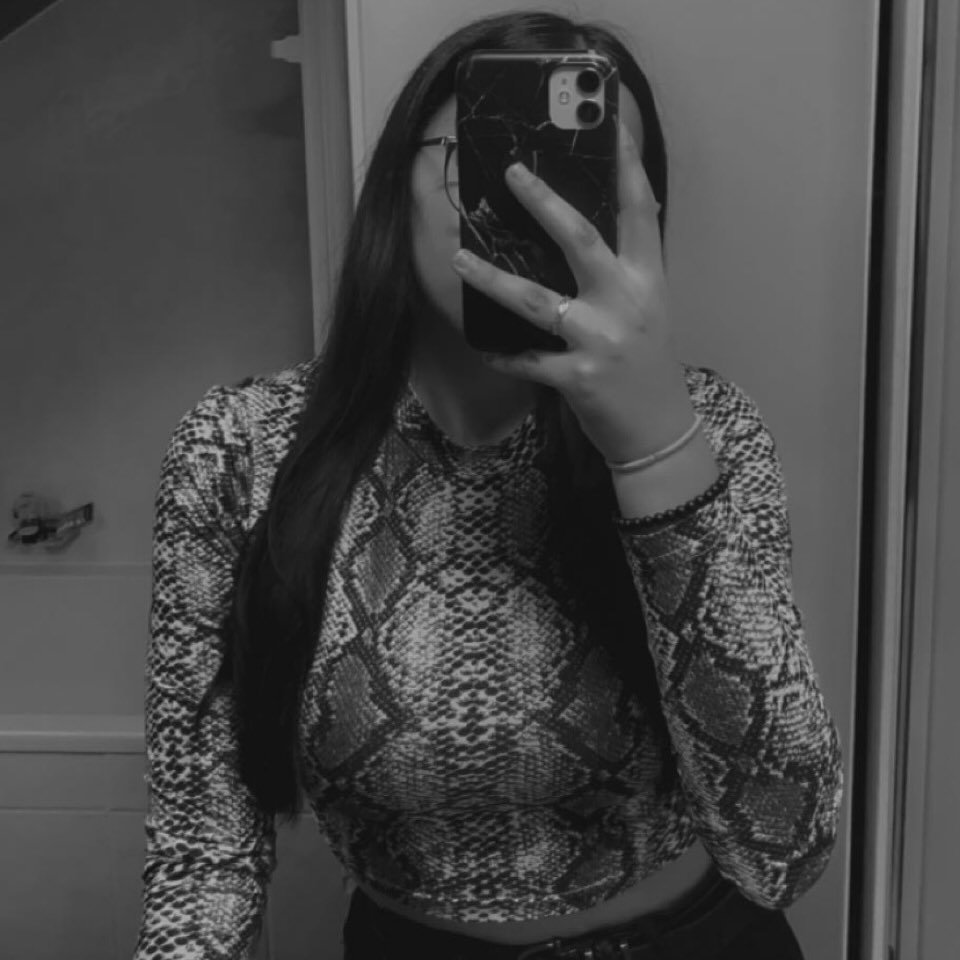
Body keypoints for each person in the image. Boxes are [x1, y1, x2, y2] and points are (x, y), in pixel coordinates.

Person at [134, 11, 843, 960]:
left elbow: (784, 848)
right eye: (488, 155)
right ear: (398, 183)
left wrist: (654, 451)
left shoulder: (709, 429)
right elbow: (202, 846)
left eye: (581, 171)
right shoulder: (239, 449)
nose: (531, 199)